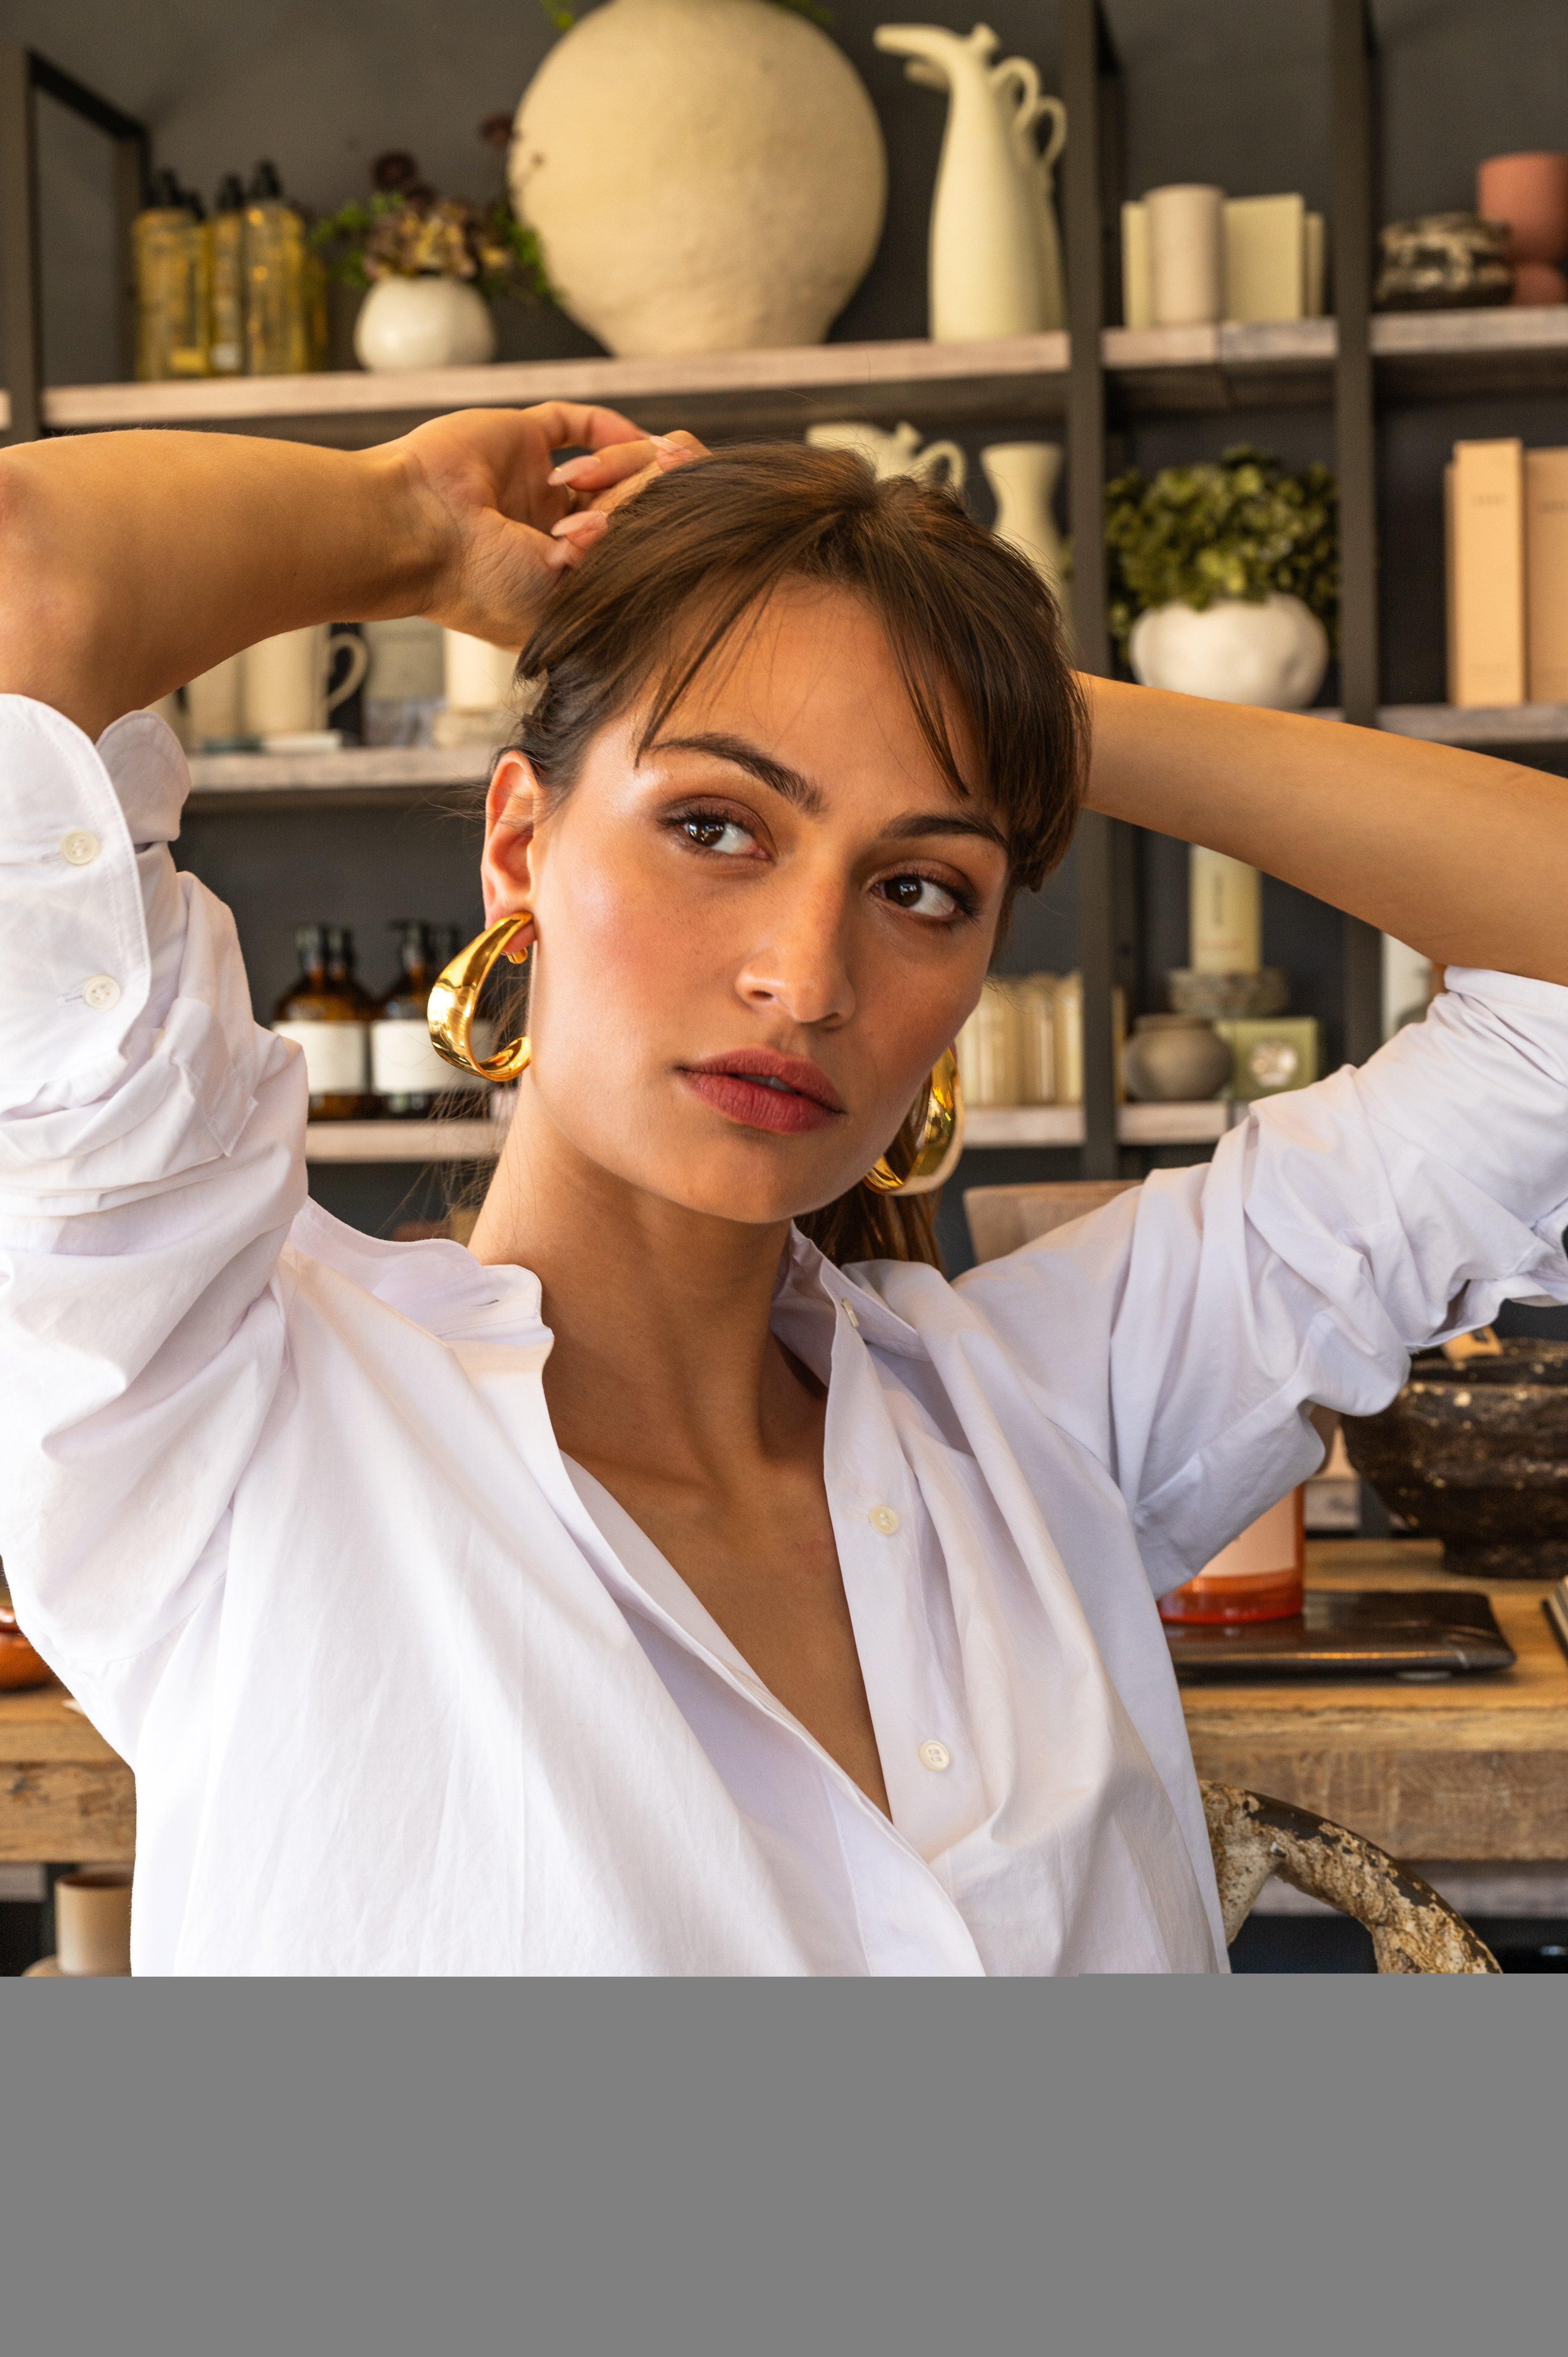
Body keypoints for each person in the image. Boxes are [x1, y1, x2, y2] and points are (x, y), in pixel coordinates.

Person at [2, 406, 1566, 1976]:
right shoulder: (222, 1411)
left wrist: (987, 698)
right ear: (520, 851)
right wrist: (413, 524)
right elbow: (28, 583)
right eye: (713, 825)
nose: (805, 977)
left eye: (919, 887)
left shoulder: (1033, 1425)